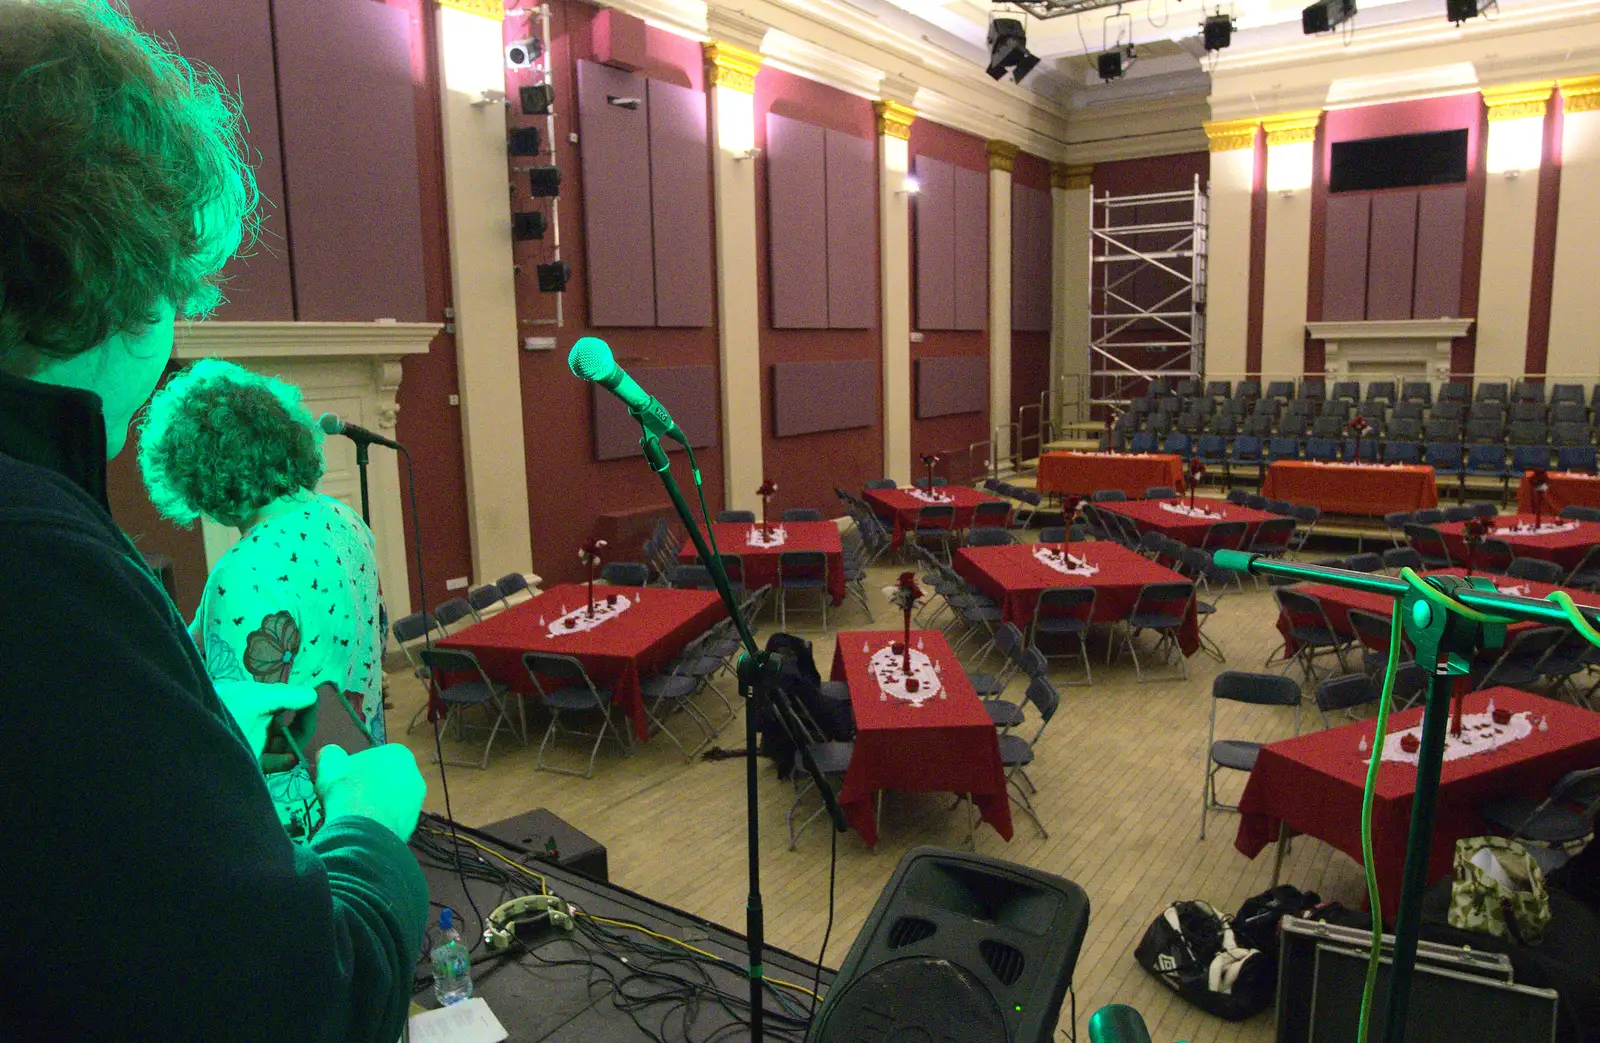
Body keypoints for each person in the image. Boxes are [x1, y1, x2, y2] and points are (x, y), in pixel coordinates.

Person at [0, 3, 428, 1040]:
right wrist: (373, 820)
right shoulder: (339, 521)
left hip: (287, 820)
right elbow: (299, 991)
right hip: (295, 846)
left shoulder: (235, 573)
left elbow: (267, 714)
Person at [139, 359, 390, 842]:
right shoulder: (343, 519)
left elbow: (235, 723)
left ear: (200, 473)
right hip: (361, 772)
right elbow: (377, 634)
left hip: (295, 813)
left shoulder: (245, 570)